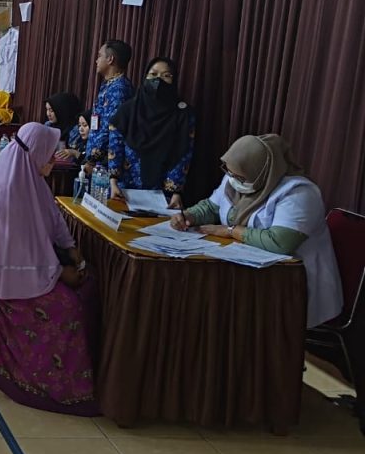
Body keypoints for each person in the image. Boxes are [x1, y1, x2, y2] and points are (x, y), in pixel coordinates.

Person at [0, 122, 99, 416]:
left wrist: (70, 248)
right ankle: (57, 388)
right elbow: (21, 252)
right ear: (36, 152)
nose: (54, 160)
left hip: (20, 268)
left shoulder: (26, 176)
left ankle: (86, 378)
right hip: (7, 281)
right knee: (69, 306)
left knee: (90, 283)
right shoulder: (9, 191)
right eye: (50, 154)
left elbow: (51, 219)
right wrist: (59, 273)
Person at [171, 134, 342, 328]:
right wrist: (188, 216)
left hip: (290, 282)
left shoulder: (299, 194)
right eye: (229, 172)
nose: (232, 179)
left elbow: (280, 243)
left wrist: (231, 231)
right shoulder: (236, 178)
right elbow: (212, 207)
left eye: (239, 176)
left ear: (260, 172)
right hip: (249, 271)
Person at [108, 57, 195, 208]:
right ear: (145, 77)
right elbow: (115, 148)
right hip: (124, 191)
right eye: (153, 75)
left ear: (174, 80)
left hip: (162, 196)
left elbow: (183, 154)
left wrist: (176, 192)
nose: (158, 80)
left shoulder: (183, 114)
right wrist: (113, 181)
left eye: (166, 76)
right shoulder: (127, 110)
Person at [84, 40, 134, 174]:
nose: (96, 61)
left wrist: (92, 160)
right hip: (97, 160)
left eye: (99, 56)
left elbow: (111, 127)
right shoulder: (107, 85)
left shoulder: (120, 89)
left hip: (108, 163)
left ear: (110, 59)